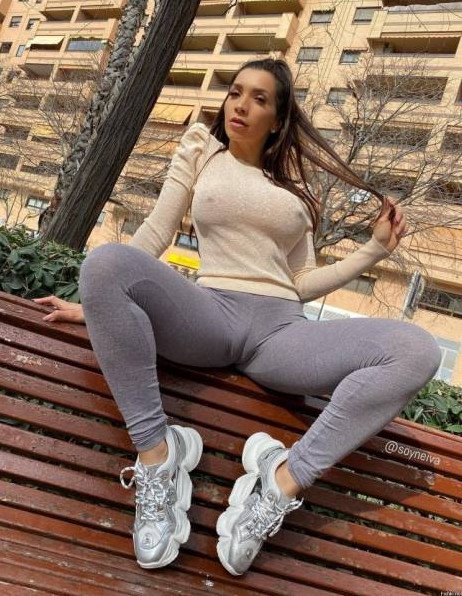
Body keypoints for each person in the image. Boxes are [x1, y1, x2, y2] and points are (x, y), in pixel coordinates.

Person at [33, 58, 441, 576]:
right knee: (105, 263)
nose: (241, 105)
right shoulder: (201, 151)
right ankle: (159, 457)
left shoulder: (297, 192)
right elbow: (157, 230)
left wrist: (373, 251)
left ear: (278, 119)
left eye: (259, 98)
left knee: (416, 350)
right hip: (210, 315)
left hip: (280, 332)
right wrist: (97, 305)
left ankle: (281, 481)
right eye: (236, 92)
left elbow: (300, 281)